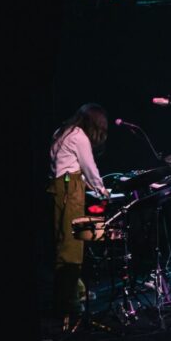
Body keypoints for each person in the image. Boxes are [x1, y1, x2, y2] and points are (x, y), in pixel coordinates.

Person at [47, 103, 110, 322]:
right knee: (72, 248)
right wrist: (103, 191)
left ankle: (76, 292)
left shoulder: (62, 131)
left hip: (59, 186)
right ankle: (69, 304)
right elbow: (89, 167)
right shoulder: (79, 136)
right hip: (68, 189)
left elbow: (67, 167)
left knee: (64, 244)